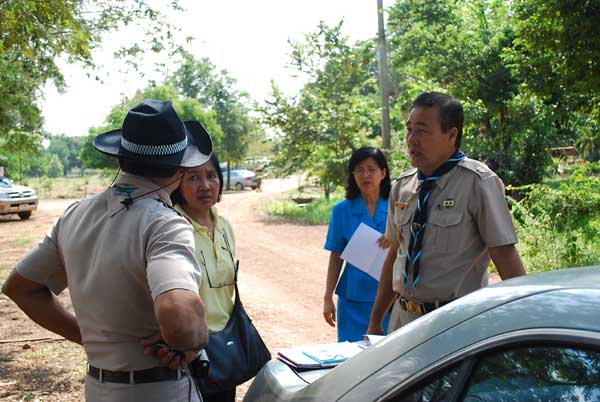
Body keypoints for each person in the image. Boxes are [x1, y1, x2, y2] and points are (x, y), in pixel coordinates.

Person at [2, 100, 213, 402]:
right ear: (181, 169)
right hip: (159, 390)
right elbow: (180, 322)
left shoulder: (74, 215)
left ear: (121, 162)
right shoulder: (165, 224)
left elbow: (21, 288)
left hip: (99, 387)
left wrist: (92, 340)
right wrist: (195, 338)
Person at [367, 91, 526, 335]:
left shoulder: (478, 183)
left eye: (422, 131)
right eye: (409, 130)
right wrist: (376, 320)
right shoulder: (402, 187)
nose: (412, 140)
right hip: (402, 321)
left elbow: (505, 256)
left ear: (451, 135)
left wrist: (524, 323)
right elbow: (395, 255)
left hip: (455, 324)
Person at [170, 152, 238, 402]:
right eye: (193, 178)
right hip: (189, 350)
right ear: (178, 183)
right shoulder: (171, 226)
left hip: (225, 343)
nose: (205, 185)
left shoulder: (225, 226)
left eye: (211, 176)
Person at [323, 146, 392, 342]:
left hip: (391, 299)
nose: (365, 175)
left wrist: (396, 238)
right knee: (352, 355)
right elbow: (336, 256)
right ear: (353, 175)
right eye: (359, 170)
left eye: (371, 169)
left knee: (388, 355)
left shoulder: (398, 207)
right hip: (352, 300)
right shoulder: (341, 210)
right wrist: (327, 297)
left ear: (383, 173)